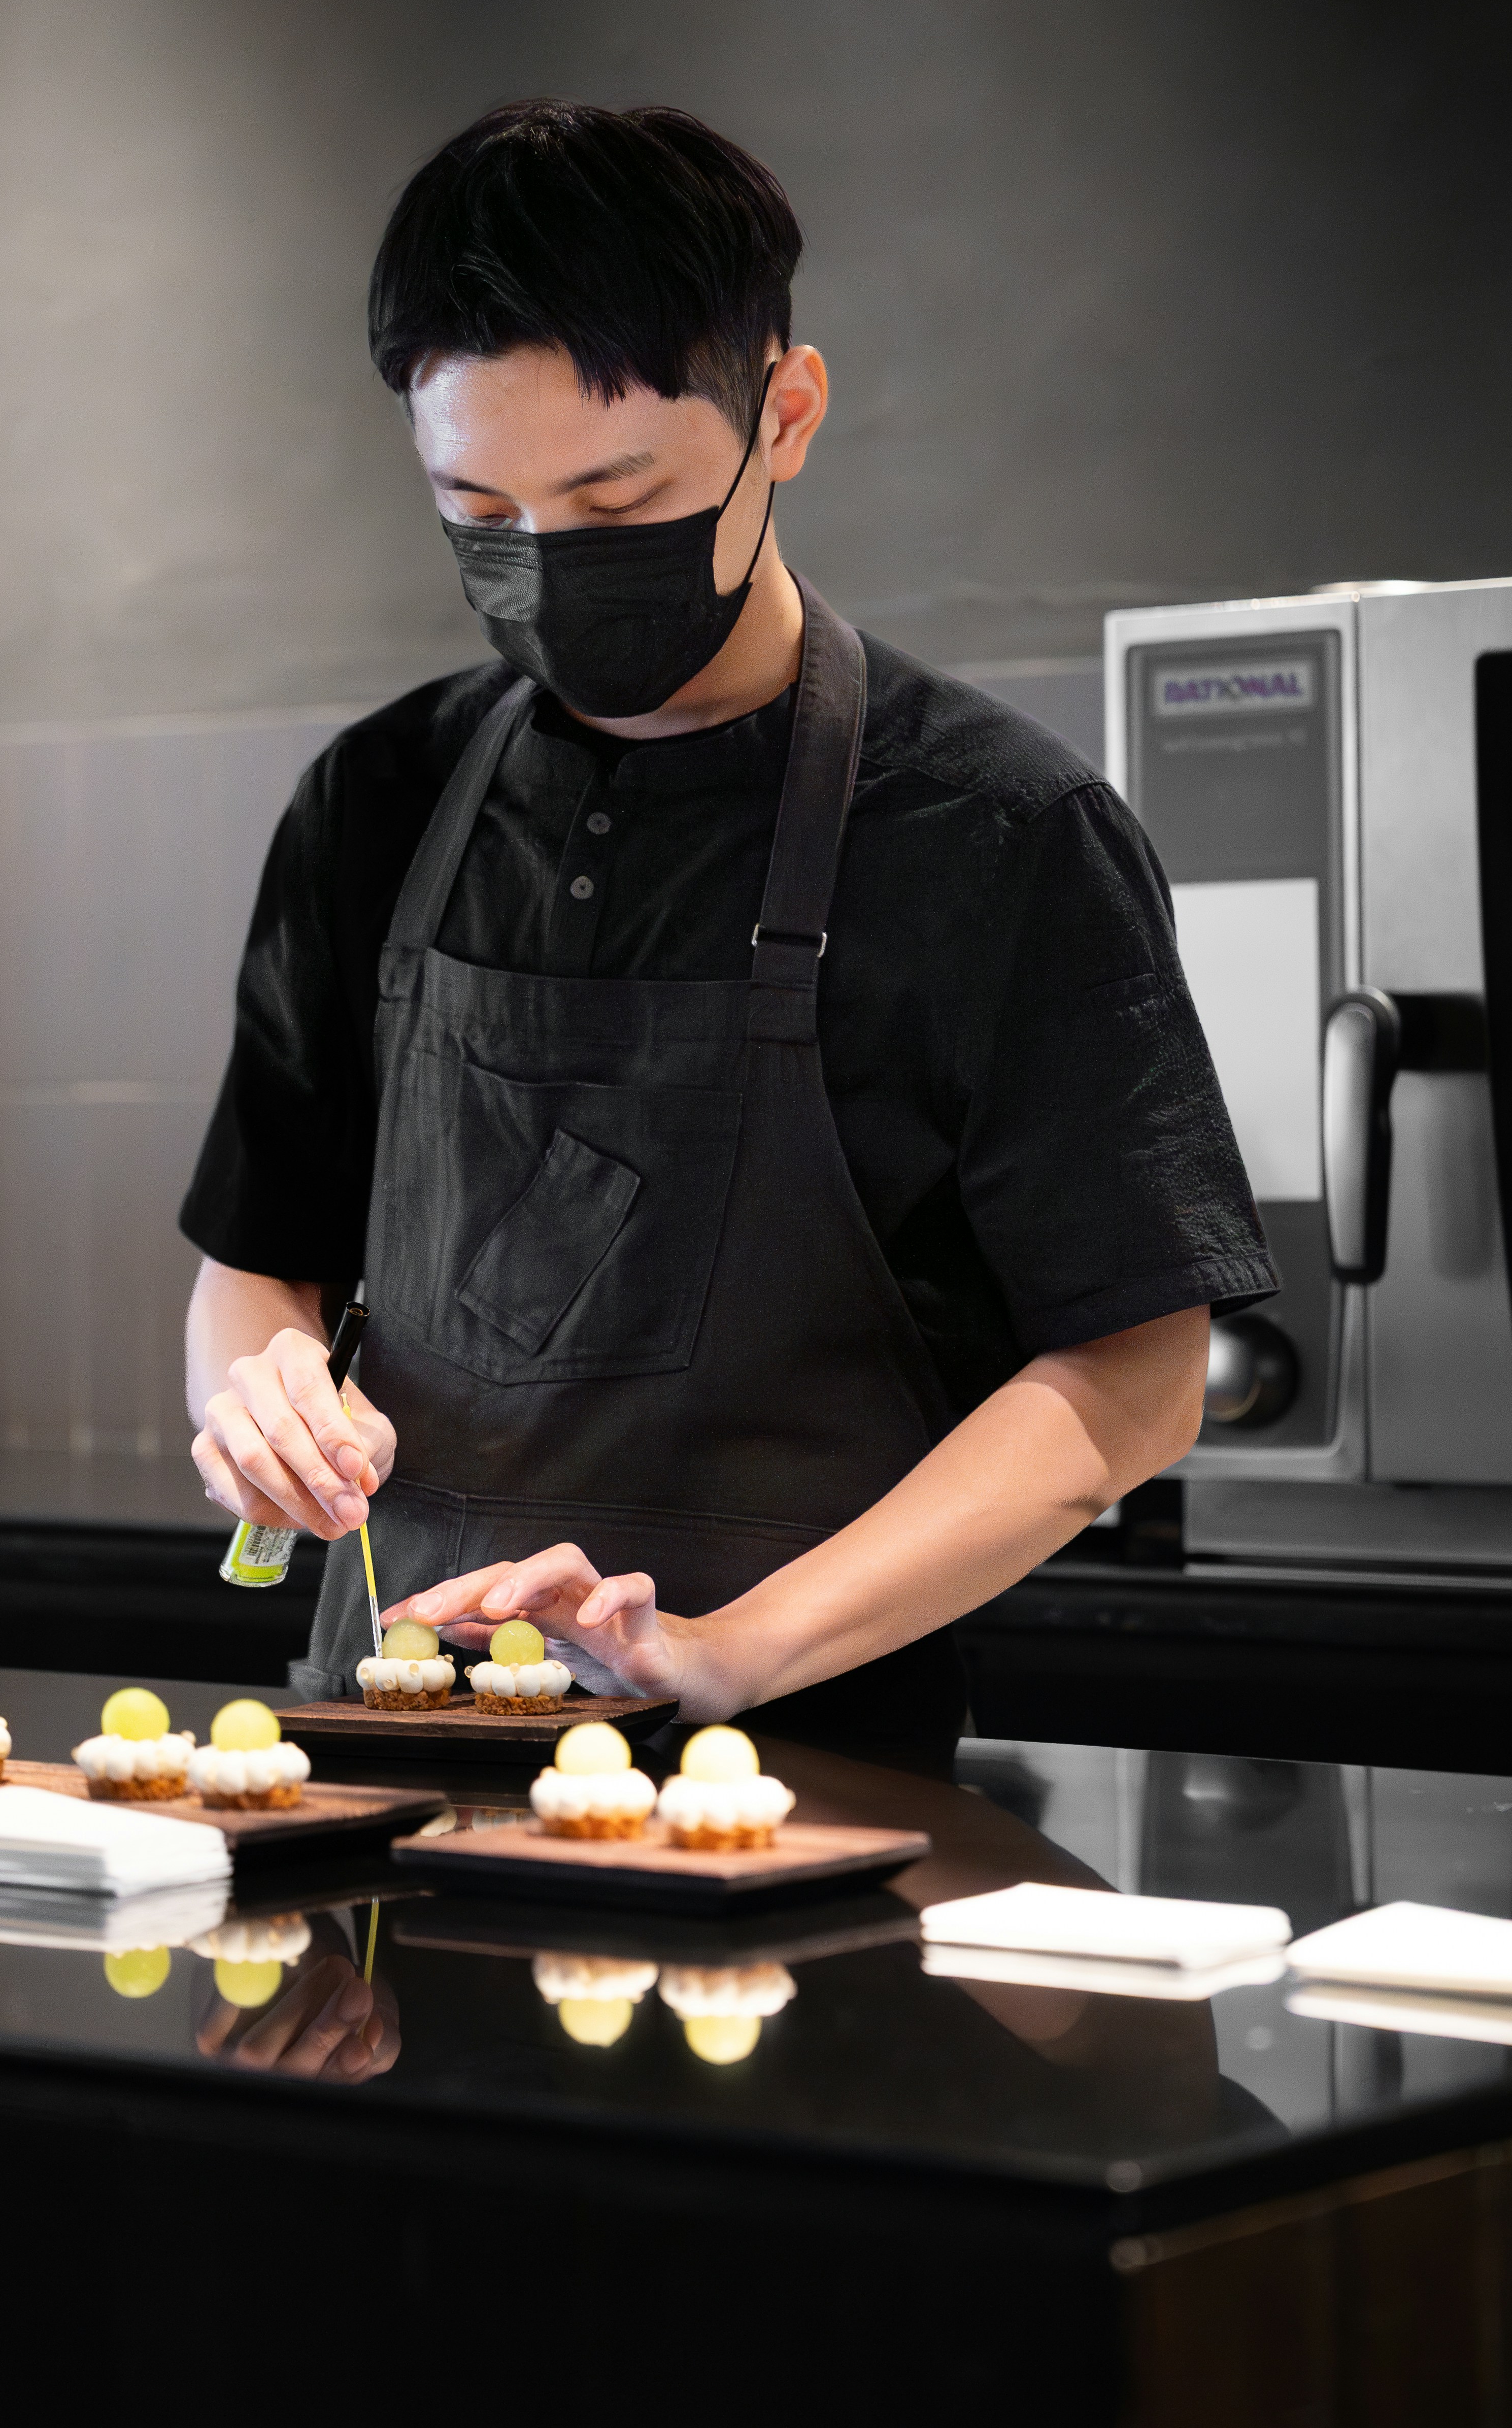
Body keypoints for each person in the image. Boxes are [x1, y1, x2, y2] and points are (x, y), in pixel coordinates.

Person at [181, 98, 1273, 1738]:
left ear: (787, 413)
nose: (548, 567)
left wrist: (726, 1649)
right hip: (377, 1774)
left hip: (799, 1788)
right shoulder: (375, 804)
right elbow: (257, 1265)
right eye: (481, 516)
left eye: (616, 507)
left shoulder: (999, 836)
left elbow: (1133, 1382)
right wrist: (249, 1398)